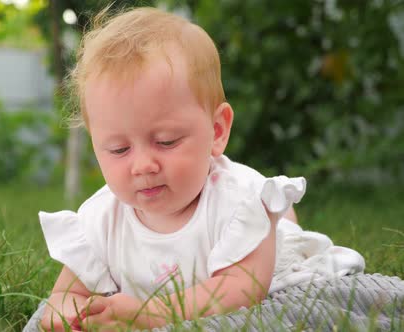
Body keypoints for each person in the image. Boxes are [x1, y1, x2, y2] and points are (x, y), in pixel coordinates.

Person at [37, 6, 364, 331]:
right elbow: (65, 296)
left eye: (166, 141)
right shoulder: (102, 220)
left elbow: (242, 287)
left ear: (217, 131)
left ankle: (282, 220)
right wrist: (70, 316)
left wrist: (156, 313)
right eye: (119, 149)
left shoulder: (236, 205)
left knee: (280, 239)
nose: (143, 165)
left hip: (268, 263)